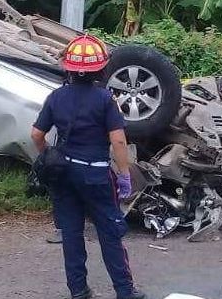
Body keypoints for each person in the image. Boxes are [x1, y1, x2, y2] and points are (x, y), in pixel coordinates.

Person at [32, 34, 146, 299]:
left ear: (69, 67)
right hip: (96, 175)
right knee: (110, 233)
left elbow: (37, 134)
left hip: (64, 175)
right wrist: (125, 175)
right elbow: (118, 140)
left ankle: (79, 292)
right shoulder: (105, 100)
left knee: (71, 234)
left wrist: (49, 156)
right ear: (101, 68)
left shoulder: (56, 97)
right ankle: (124, 291)